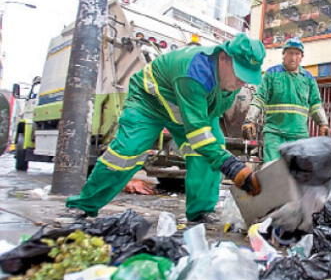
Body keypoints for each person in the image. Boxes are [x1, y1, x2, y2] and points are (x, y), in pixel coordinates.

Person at [66, 34, 265, 224]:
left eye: (247, 77)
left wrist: (219, 154)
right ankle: (84, 206)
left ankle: (201, 211)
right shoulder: (193, 71)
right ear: (223, 58)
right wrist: (231, 166)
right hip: (150, 102)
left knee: (211, 150)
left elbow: (207, 119)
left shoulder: (231, 80)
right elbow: (197, 132)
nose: (242, 82)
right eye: (240, 74)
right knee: (126, 152)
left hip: (187, 108)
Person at [242, 38, 330, 162]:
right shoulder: (271, 74)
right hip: (274, 133)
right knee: (273, 169)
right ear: (283, 54)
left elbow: (315, 103)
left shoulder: (308, 78)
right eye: (290, 53)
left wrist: (323, 123)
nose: (293, 57)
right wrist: (249, 120)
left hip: (299, 135)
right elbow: (259, 98)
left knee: (297, 171)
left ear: (301, 57)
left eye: (297, 54)